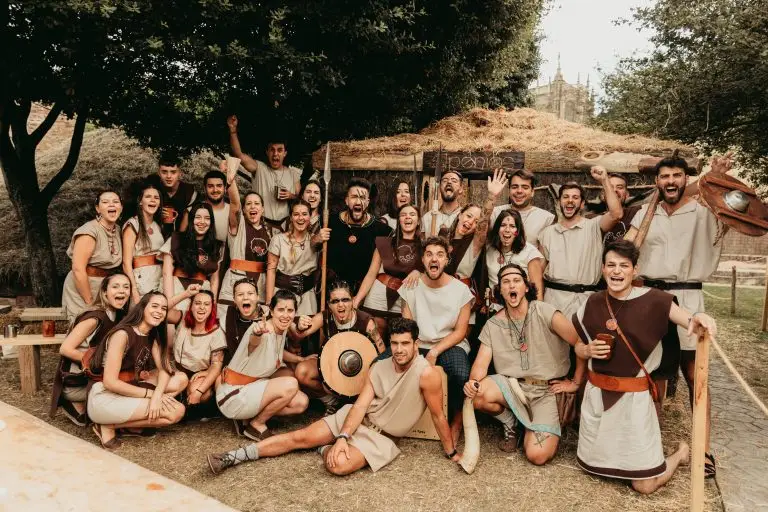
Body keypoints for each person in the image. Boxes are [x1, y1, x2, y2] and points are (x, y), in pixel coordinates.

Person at [206, 318, 460, 476]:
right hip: (354, 421)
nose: (399, 350)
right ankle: (234, 456)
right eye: (394, 344)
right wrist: (342, 436)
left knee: (337, 466)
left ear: (416, 344)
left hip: (382, 439)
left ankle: (324, 448)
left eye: (405, 344)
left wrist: (451, 452)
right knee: (299, 437)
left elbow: (438, 415)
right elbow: (359, 406)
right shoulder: (379, 366)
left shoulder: (426, 375)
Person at [573, 240, 716, 493]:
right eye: (611, 265)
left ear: (634, 270)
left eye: (624, 266)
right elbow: (577, 346)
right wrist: (585, 350)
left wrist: (699, 318)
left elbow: (688, 320)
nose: (617, 272)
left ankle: (680, 454)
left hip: (634, 403)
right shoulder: (592, 302)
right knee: (592, 468)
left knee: (644, 484)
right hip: (598, 400)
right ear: (603, 269)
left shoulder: (655, 300)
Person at [624, 153, 728, 477]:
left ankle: (704, 451)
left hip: (688, 297)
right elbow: (629, 250)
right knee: (652, 374)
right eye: (664, 176)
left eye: (676, 176)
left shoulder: (703, 212)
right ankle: (650, 445)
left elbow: (730, 216)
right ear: (657, 182)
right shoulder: (646, 212)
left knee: (696, 376)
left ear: (686, 180)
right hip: (652, 298)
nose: (670, 181)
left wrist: (716, 178)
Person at [464, 263, 583, 465]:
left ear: (526, 287)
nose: (512, 285)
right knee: (477, 395)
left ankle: (531, 425)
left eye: (517, 281)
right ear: (500, 290)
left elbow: (580, 343)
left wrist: (576, 381)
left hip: (546, 391)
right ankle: (511, 423)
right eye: (506, 282)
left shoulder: (546, 312)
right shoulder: (493, 324)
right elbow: (480, 365)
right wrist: (473, 382)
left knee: (537, 456)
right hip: (514, 388)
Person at [86, 292, 188, 449]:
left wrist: (158, 396)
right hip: (105, 397)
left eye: (163, 308)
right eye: (154, 306)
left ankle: (127, 423)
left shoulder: (151, 335)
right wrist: (152, 395)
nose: (159, 311)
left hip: (131, 386)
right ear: (142, 308)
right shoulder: (122, 334)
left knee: (181, 378)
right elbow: (110, 382)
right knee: (176, 411)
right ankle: (108, 425)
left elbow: (165, 370)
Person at [397, 237, 473, 442]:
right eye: (429, 254)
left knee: (460, 373)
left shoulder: (461, 291)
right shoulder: (411, 286)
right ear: (422, 259)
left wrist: (435, 351)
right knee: (382, 364)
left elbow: (460, 332)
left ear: (447, 260)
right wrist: (413, 351)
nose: (434, 259)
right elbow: (407, 326)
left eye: (440, 255)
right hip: (417, 344)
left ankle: (456, 421)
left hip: (450, 343)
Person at [215, 290, 310, 441]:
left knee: (301, 402)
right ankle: (256, 425)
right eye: (280, 310)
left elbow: (277, 351)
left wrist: (301, 360)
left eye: (290, 310)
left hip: (253, 386)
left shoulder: (281, 328)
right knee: (291, 383)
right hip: (233, 394)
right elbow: (254, 342)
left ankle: (245, 419)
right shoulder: (262, 329)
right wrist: (257, 333)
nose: (285, 315)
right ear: (271, 311)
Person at [538, 166, 623, 318]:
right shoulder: (547, 233)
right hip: (554, 301)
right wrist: (538, 304)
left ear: (582, 204)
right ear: (559, 202)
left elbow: (616, 214)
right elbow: (538, 272)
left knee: (586, 341)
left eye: (575, 197)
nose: (570, 200)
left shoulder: (594, 226)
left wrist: (604, 180)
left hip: (586, 301)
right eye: (565, 197)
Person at [291, 281, 385, 414]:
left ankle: (360, 403)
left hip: (360, 373)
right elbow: (299, 335)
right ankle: (332, 401)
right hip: (333, 367)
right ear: (329, 305)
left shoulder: (365, 321)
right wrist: (299, 327)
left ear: (353, 301)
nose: (340, 304)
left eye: (345, 300)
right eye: (335, 301)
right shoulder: (325, 317)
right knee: (302, 372)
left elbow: (382, 354)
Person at [50, 274, 131, 426]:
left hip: (94, 375)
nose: (122, 291)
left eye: (126, 287)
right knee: (121, 385)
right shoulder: (95, 318)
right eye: (115, 286)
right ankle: (72, 402)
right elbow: (65, 348)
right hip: (77, 380)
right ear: (104, 292)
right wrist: (96, 362)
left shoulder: (118, 315)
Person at [354, 204, 422, 335]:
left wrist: (418, 272)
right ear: (399, 220)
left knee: (401, 338)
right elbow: (371, 274)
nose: (407, 217)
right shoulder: (385, 243)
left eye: (412, 214)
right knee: (375, 336)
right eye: (403, 215)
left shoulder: (425, 247)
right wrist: (356, 300)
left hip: (406, 301)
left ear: (418, 220)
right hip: (378, 298)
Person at [227, 115, 302, 233]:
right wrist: (233, 131)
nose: (275, 154)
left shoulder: (293, 174)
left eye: (279, 150)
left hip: (284, 227)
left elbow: (300, 200)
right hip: (261, 225)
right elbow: (238, 154)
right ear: (267, 152)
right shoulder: (259, 168)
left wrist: (291, 196)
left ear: (285, 153)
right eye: (272, 150)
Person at [217, 160, 271, 319]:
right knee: (226, 328)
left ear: (262, 209)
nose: (253, 207)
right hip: (234, 282)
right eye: (249, 204)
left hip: (259, 286)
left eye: (256, 204)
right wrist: (230, 179)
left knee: (253, 330)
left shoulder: (271, 232)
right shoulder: (237, 226)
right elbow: (234, 203)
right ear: (245, 210)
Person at [62, 190, 124, 322]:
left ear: (121, 207)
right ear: (98, 208)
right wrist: (89, 301)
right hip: (83, 286)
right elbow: (78, 269)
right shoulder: (88, 231)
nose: (111, 205)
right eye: (105, 202)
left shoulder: (118, 230)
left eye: (115, 202)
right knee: (85, 327)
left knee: (103, 330)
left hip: (104, 288)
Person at [164, 287, 226, 415]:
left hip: (198, 374)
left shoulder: (216, 332)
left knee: (196, 391)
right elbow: (163, 309)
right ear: (191, 306)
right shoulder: (182, 319)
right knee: (169, 385)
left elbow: (216, 366)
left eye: (206, 304)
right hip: (178, 371)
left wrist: (198, 393)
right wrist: (186, 294)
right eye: (197, 303)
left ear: (211, 308)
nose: (202, 307)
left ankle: (198, 406)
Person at [327, 178, 392, 293]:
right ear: (346, 200)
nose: (358, 202)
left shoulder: (382, 230)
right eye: (354, 197)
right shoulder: (329, 222)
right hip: (334, 292)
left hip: (366, 292)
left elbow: (389, 265)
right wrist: (316, 239)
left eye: (362, 198)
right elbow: (312, 248)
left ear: (367, 202)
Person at [266, 200, 330, 315]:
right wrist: (269, 302)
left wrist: (321, 237)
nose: (301, 218)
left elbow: (315, 242)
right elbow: (271, 271)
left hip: (307, 296)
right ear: (291, 217)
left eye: (305, 214)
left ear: (310, 216)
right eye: (296, 214)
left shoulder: (316, 240)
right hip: (282, 294)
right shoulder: (278, 240)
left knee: (306, 328)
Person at [160, 202, 223, 313]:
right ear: (191, 220)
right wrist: (170, 303)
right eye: (198, 217)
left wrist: (213, 304)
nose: (202, 222)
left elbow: (214, 279)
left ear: (211, 222)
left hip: (202, 291)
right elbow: (167, 273)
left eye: (207, 218)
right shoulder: (176, 239)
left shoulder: (215, 246)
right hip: (176, 287)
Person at [485, 209, 545, 312]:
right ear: (497, 229)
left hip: (521, 311)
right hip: (494, 311)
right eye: (503, 225)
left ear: (518, 231)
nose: (507, 230)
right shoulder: (489, 250)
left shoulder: (530, 253)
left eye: (512, 226)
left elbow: (537, 293)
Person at [122, 181, 164, 304]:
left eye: (156, 198)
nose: (153, 200)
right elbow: (126, 262)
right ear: (140, 201)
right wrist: (134, 289)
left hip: (159, 274)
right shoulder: (133, 224)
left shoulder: (157, 225)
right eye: (148, 197)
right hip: (142, 277)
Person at [490, 169, 554, 246]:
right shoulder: (494, 213)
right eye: (514, 187)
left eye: (525, 187)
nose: (519, 191)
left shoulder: (546, 219)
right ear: (509, 190)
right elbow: (480, 236)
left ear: (532, 192)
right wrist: (492, 195)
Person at [220, 278, 270, 365]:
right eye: (240, 294)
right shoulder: (226, 319)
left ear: (258, 297)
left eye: (250, 293)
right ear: (234, 299)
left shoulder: (269, 315)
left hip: (264, 365)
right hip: (238, 366)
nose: (245, 297)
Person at [153, 156, 197, 239]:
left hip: (182, 238)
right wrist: (156, 213)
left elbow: (188, 219)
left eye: (173, 172)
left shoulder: (189, 192)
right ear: (159, 173)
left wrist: (177, 242)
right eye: (164, 172)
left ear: (180, 173)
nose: (168, 176)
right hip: (155, 236)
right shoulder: (153, 189)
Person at [187, 169, 230, 243]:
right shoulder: (192, 210)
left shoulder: (231, 210)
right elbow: (180, 239)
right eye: (210, 186)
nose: (215, 190)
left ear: (225, 188)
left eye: (219, 186)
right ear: (204, 188)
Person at [422, 169, 463, 236]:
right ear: (439, 188)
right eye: (445, 180)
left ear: (461, 189)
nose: (449, 182)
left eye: (454, 181)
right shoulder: (427, 218)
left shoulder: (465, 217)